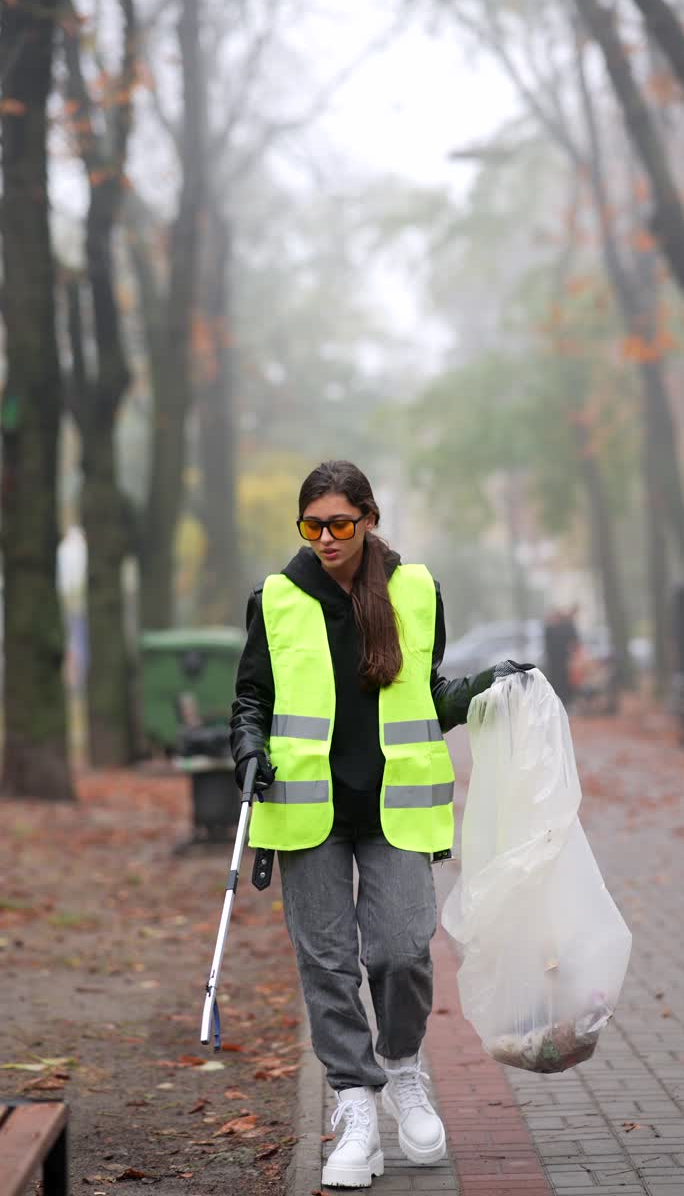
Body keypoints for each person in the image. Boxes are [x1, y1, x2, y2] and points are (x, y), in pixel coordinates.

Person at [229, 460, 532, 1190]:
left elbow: (429, 694)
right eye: (312, 526)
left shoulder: (416, 590)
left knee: (401, 953)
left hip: (397, 806)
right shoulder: (276, 598)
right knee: (327, 964)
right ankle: (355, 1103)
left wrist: (486, 689)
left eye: (340, 523)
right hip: (307, 809)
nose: (326, 538)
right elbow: (251, 699)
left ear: (369, 519)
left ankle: (402, 1070)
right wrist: (247, 748)